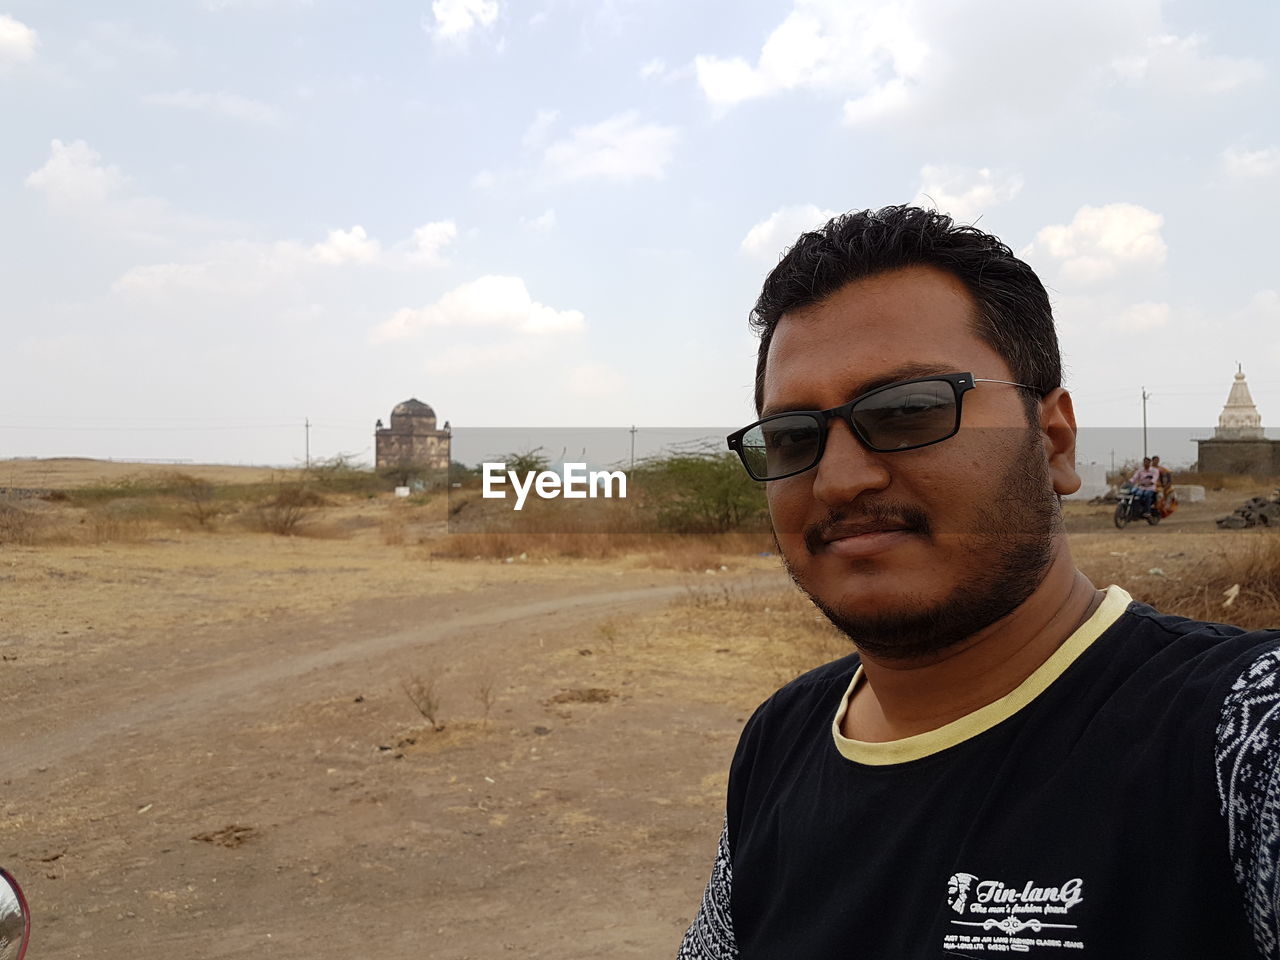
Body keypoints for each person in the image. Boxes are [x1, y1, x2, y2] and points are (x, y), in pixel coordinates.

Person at [678, 206, 1280, 959]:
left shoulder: (1240, 736)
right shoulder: (781, 740)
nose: (838, 481)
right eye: (794, 436)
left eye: (908, 411)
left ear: (1053, 440)